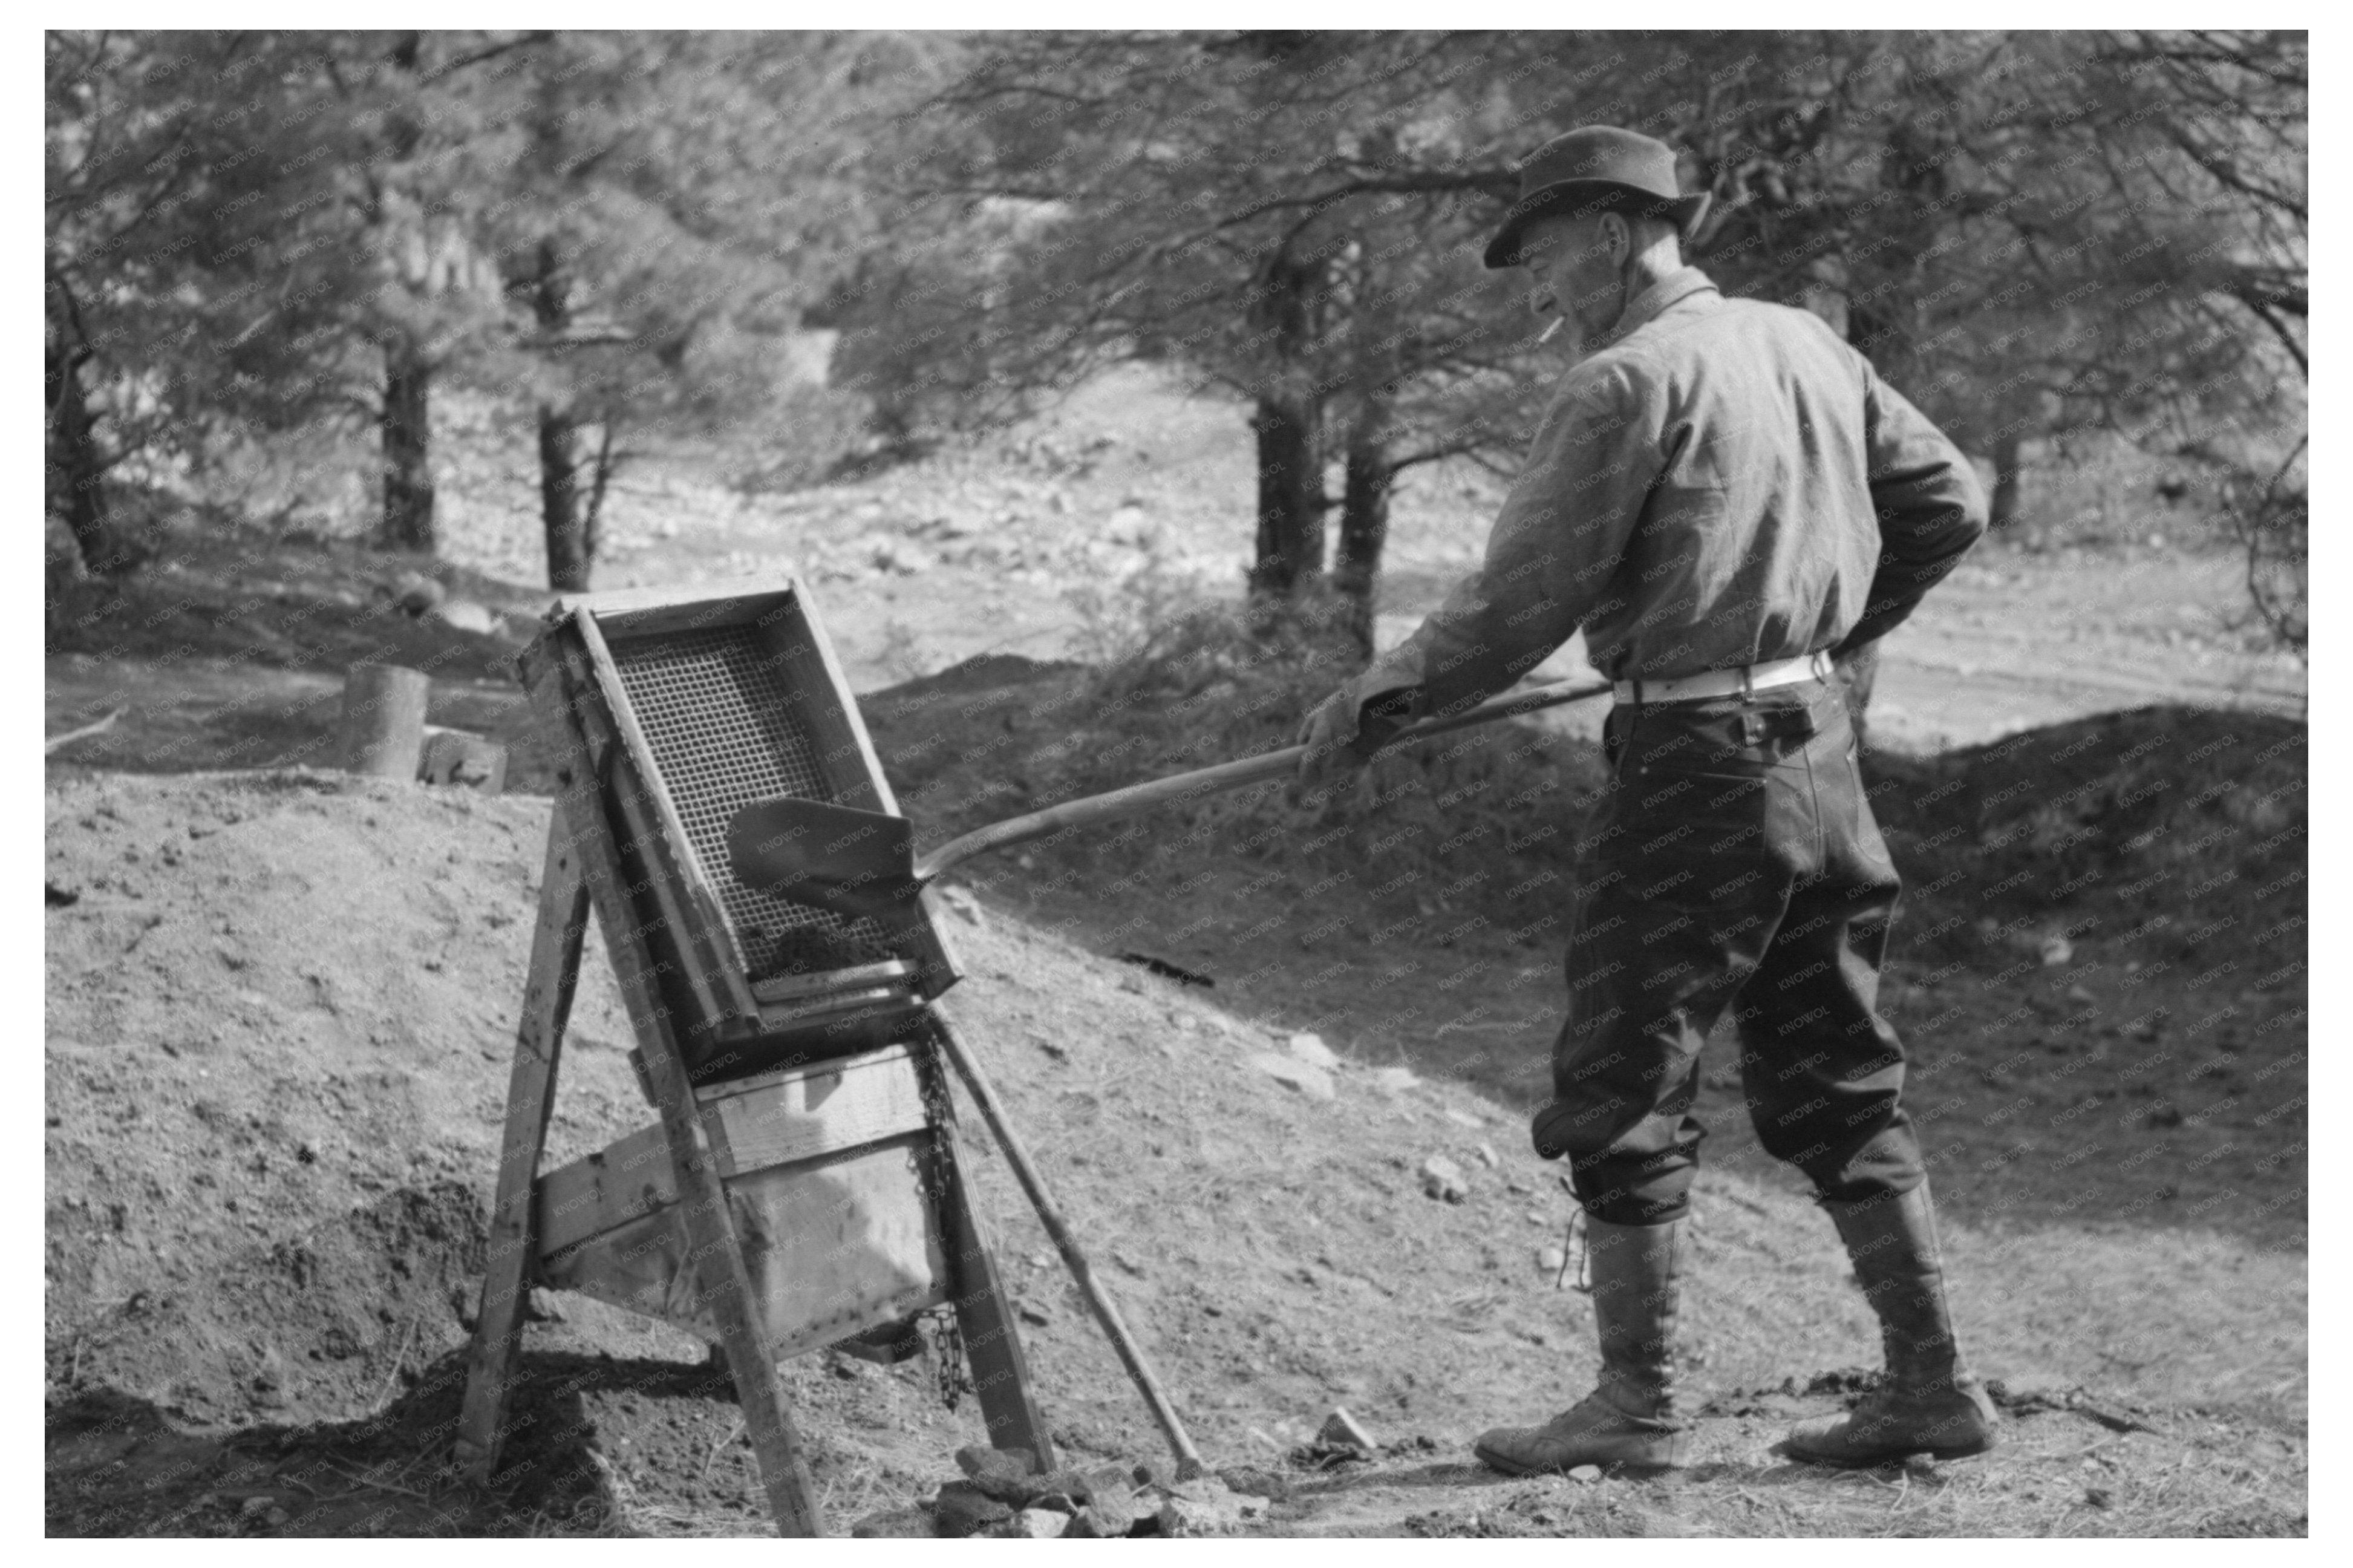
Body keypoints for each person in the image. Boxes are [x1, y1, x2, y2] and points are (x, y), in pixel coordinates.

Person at [1296, 125, 1997, 1473]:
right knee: (1839, 1073)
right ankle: (1931, 1386)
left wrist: (1373, 703)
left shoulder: (1621, 384)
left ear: (1613, 237)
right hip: (1819, 758)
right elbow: (1948, 504)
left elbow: (1516, 605)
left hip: (1696, 774)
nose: (1542, 288)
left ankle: (1636, 1406)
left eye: (1547, 255)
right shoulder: (1802, 340)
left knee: (1622, 1078)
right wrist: (1832, 635)